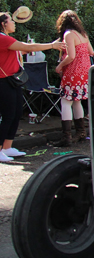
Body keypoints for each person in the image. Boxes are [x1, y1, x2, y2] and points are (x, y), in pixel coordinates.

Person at [0, 10, 64, 162]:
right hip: (4, 81)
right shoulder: (2, 39)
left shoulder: (6, 39)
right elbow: (27, 48)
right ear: (3, 24)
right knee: (8, 115)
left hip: (12, 81)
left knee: (16, 113)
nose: (14, 23)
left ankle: (7, 147)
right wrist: (51, 45)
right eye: (11, 21)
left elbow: (20, 51)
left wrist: (33, 47)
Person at [52, 11, 94, 147]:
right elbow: (91, 52)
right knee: (77, 101)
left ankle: (66, 137)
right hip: (84, 72)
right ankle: (81, 132)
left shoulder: (69, 34)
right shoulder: (83, 35)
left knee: (66, 102)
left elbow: (71, 56)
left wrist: (59, 66)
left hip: (73, 71)